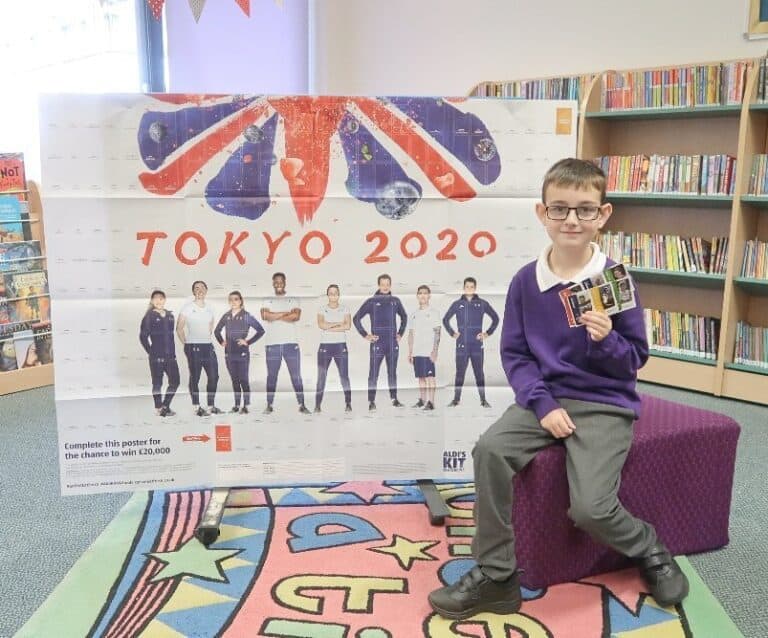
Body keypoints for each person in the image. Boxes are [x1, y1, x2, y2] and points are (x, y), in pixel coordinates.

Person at [429, 158, 688, 619]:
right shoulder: (526, 282)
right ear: (541, 213)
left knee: (590, 508)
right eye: (560, 209)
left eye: (585, 210)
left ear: (603, 215)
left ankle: (650, 548)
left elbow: (635, 360)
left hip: (605, 403)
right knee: (490, 449)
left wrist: (607, 340)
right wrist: (542, 404)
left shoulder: (614, 280)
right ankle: (496, 575)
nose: (572, 219)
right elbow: (515, 355)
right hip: (543, 399)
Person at [353, 273, 407, 411]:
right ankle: (371, 401)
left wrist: (400, 333)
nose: (385, 287)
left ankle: (394, 399)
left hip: (392, 343)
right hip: (377, 343)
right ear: (378, 285)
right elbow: (356, 318)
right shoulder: (372, 301)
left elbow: (404, 317)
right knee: (373, 373)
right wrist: (365, 335)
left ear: (390, 285)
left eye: (387, 284)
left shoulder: (395, 300)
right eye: (382, 284)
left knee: (392, 372)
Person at [442, 277, 499, 408]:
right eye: (467, 287)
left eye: (472, 287)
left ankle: (483, 400)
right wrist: (452, 333)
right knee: (459, 372)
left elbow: (495, 318)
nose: (469, 289)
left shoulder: (482, 303)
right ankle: (456, 400)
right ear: (463, 288)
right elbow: (445, 320)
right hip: (461, 343)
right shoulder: (457, 304)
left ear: (475, 288)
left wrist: (487, 333)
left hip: (477, 344)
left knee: (479, 372)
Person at [260, 272, 310, 414]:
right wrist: (285, 313)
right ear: (272, 282)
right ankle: (269, 405)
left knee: (296, 375)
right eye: (276, 282)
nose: (278, 284)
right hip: (272, 344)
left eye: (281, 281)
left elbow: (295, 316)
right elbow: (264, 315)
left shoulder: (293, 298)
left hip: (291, 344)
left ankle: (302, 404)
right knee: (271, 376)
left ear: (285, 282)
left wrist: (274, 315)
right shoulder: (267, 299)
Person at [214, 291, 265, 414]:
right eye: (231, 299)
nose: (233, 301)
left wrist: (247, 341)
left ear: (241, 301)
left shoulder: (246, 315)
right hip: (229, 354)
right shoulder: (226, 316)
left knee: (244, 380)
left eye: (236, 299)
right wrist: (222, 341)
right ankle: (236, 405)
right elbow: (217, 331)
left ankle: (246, 406)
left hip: (242, 353)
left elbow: (260, 330)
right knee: (235, 380)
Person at [176, 281, 221, 417]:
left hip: (208, 346)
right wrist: (187, 344)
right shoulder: (188, 307)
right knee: (195, 377)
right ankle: (197, 407)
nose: (199, 290)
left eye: (202, 287)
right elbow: (179, 328)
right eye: (196, 288)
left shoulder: (210, 308)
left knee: (214, 376)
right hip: (193, 347)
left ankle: (211, 406)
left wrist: (205, 338)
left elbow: (210, 326)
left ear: (206, 290)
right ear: (193, 292)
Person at [139, 290, 180, 417]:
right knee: (157, 383)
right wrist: (151, 352)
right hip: (156, 357)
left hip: (170, 357)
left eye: (161, 298)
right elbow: (143, 337)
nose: (158, 300)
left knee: (175, 381)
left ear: (165, 300)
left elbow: (171, 337)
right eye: (155, 298)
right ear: (152, 301)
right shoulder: (149, 316)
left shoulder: (170, 316)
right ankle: (158, 408)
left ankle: (165, 406)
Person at [315, 284, 352, 413]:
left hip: (340, 345)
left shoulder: (345, 309)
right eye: (331, 293)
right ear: (327, 295)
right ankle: (317, 405)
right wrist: (338, 324)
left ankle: (348, 403)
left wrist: (329, 326)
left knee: (344, 376)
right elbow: (321, 324)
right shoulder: (322, 309)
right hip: (325, 345)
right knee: (321, 377)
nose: (333, 295)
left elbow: (347, 326)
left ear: (339, 294)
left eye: (335, 293)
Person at [407, 284, 441, 410]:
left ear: (429, 296)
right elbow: (411, 333)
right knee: (421, 377)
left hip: (428, 352)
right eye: (420, 293)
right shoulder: (414, 314)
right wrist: (410, 352)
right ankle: (422, 400)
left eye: (425, 293)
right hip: (417, 351)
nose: (422, 295)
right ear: (417, 296)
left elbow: (438, 332)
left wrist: (435, 351)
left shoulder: (434, 313)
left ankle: (431, 403)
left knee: (430, 377)